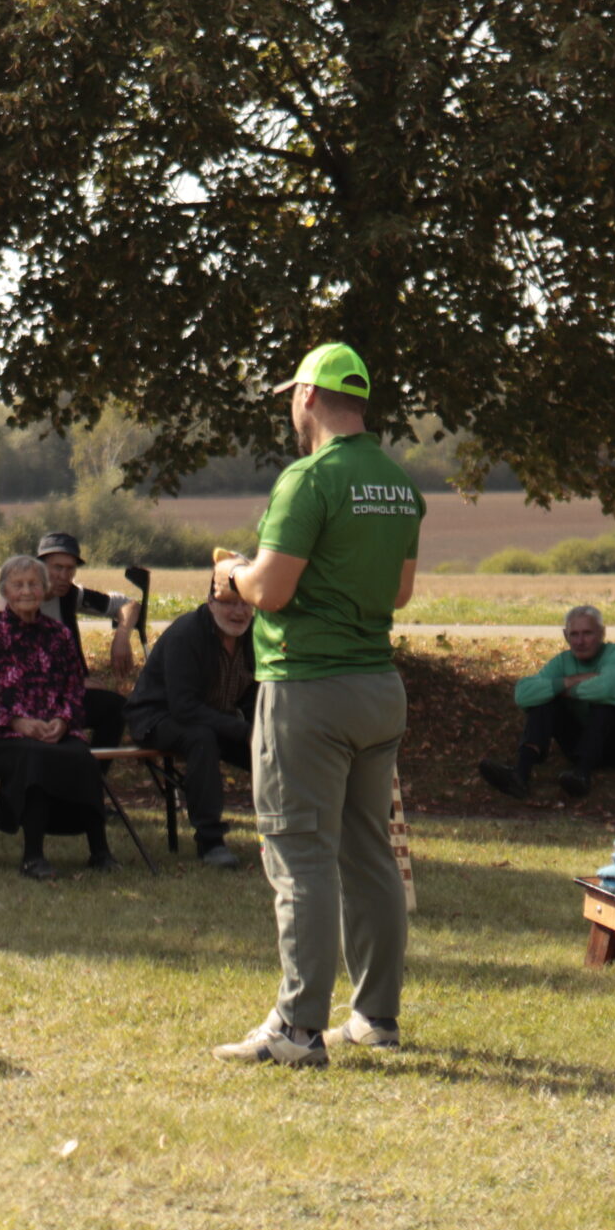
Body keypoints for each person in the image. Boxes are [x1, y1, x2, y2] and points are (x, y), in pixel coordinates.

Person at [210, 343, 421, 1069]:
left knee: (299, 853)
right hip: (377, 687)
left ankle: (298, 1028)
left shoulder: (309, 478)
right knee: (369, 852)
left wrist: (231, 572)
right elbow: (399, 592)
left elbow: (270, 590)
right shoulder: (397, 482)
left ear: (306, 396)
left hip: (308, 687)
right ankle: (375, 1016)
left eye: (290, 400)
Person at [0, 555, 110, 880]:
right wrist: (17, 722)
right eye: (18, 585)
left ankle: (100, 851)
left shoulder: (59, 635)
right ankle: (33, 856)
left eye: (34, 584)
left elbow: (74, 690)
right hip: (3, 733)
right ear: (5, 590)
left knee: (82, 756)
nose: (27, 591)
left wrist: (62, 721)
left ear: (45, 589)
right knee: (35, 758)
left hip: (54, 729)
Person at [124, 566, 259, 868]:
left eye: (245, 603)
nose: (238, 612)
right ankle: (210, 841)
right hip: (157, 716)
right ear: (211, 602)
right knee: (201, 738)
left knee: (272, 747)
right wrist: (243, 730)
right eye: (229, 602)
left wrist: (259, 729)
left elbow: (256, 691)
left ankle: (291, 832)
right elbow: (183, 707)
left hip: (216, 718)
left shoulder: (256, 635)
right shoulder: (188, 634)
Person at [478, 606, 615, 804]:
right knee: (544, 700)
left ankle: (581, 775)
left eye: (587, 633)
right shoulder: (562, 662)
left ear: (602, 633)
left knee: (605, 703)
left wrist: (561, 689)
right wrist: (566, 683)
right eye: (574, 634)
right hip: (585, 743)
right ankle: (520, 774)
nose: (580, 641)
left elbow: (607, 689)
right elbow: (523, 694)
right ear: (565, 636)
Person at [34, 531, 143, 745]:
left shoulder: (70, 595)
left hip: (69, 696)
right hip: (33, 699)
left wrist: (121, 637)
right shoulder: (20, 601)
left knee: (116, 707)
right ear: (40, 567)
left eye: (70, 569)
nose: (64, 576)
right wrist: (74, 684)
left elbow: (129, 604)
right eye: (57, 567)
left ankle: (96, 775)